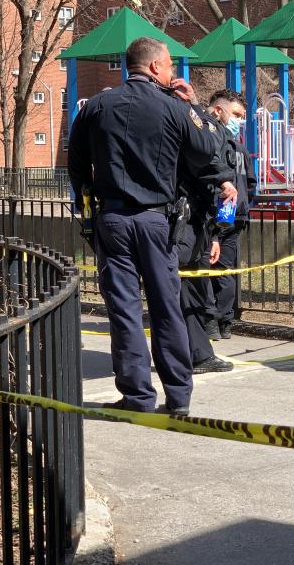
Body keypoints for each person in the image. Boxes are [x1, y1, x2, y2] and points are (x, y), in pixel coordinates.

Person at [68, 37, 237, 415]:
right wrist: (193, 106)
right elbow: (209, 147)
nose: (173, 73)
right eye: (171, 67)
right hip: (158, 222)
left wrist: (88, 213)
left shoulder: (95, 106)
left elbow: (76, 168)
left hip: (112, 219)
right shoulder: (173, 108)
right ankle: (178, 398)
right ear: (156, 67)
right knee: (166, 308)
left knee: (125, 311)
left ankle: (137, 397)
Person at [173, 93, 241, 374]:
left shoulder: (226, 139)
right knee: (184, 291)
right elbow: (205, 169)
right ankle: (193, 356)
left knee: (189, 291)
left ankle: (198, 353)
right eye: (236, 115)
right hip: (182, 221)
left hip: (198, 222)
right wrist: (194, 105)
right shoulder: (200, 128)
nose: (239, 122)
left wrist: (214, 233)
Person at [203, 89, 257, 340]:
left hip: (222, 216)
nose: (238, 121)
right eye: (236, 115)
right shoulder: (227, 145)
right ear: (218, 110)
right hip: (232, 215)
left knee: (213, 270)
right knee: (222, 272)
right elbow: (251, 185)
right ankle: (222, 321)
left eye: (241, 116)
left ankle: (215, 321)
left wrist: (219, 223)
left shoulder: (223, 145)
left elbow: (246, 184)